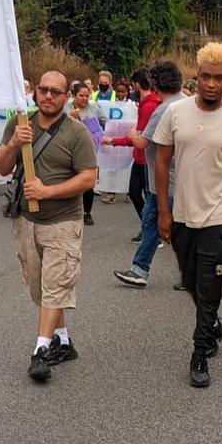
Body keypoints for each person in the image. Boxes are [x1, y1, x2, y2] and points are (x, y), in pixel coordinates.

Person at [153, 43, 222, 388]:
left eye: (219, 78)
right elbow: (162, 162)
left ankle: (200, 352)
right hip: (182, 214)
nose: (211, 84)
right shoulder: (176, 113)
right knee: (190, 278)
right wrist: (164, 212)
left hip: (220, 215)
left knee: (210, 283)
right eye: (205, 77)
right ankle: (212, 324)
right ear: (196, 76)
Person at [0, 71, 98, 382]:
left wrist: (47, 191)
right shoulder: (20, 123)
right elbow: (2, 166)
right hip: (27, 220)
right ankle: (63, 341)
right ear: (36, 92)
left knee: (56, 284)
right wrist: (15, 142)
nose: (49, 96)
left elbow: (89, 178)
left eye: (56, 92)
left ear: (66, 96)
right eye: (44, 90)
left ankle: (40, 350)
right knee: (40, 287)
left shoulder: (76, 132)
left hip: (63, 222)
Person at [113, 60, 185, 287]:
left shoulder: (163, 109)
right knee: (172, 226)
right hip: (183, 178)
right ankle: (147, 269)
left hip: (164, 180)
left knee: (153, 222)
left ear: (154, 83)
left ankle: (140, 269)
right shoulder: (188, 103)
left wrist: (133, 133)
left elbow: (143, 142)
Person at [106, 68, 159, 241]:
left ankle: (151, 231)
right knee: (139, 194)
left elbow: (140, 135)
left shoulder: (149, 105)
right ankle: (149, 229)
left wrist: (115, 141)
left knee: (141, 195)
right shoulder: (148, 104)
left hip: (145, 158)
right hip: (142, 156)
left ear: (136, 85)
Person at [69, 83, 106, 226]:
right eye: (81, 95)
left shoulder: (94, 107)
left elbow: (105, 122)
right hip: (71, 148)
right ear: (74, 95)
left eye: (87, 95)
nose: (84, 98)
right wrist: (69, 117)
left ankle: (87, 212)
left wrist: (99, 132)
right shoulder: (67, 108)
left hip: (90, 149)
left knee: (88, 182)